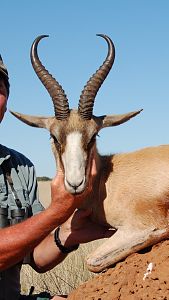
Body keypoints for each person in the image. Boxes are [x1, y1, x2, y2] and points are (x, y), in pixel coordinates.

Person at [0, 56, 111, 299]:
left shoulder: (20, 168)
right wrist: (57, 211)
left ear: (6, 100)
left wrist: (69, 232)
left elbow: (36, 257)